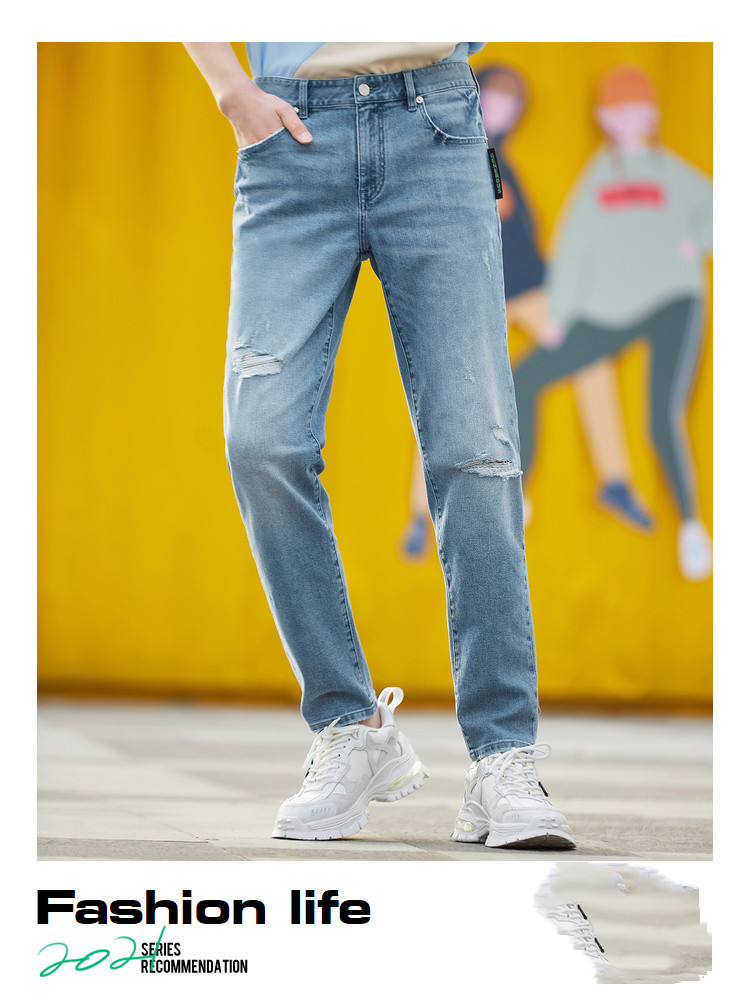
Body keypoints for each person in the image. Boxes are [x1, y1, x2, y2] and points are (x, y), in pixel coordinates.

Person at [183, 42, 575, 849]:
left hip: (437, 128)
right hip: (289, 133)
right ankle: (349, 726)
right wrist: (230, 89)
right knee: (261, 443)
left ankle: (503, 756)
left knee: (475, 450)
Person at [513, 64, 713, 580]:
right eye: (617, 112)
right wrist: (560, 314)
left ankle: (691, 524)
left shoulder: (670, 171)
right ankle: (519, 494)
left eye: (636, 110)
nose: (627, 120)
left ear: (652, 114)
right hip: (605, 311)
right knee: (524, 378)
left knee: (661, 415)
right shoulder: (599, 175)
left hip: (672, 300)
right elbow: (573, 246)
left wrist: (695, 243)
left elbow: (717, 211)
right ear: (603, 118)